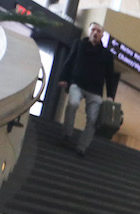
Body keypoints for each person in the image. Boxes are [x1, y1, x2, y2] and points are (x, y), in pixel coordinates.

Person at [57, 21, 118, 157]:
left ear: (102, 35)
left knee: (92, 119)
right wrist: (63, 78)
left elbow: (110, 76)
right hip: (77, 83)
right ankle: (67, 135)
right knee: (72, 104)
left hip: (95, 90)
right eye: (93, 30)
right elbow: (69, 61)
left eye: (98, 31)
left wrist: (110, 95)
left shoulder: (107, 55)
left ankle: (82, 146)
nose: (95, 33)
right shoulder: (79, 45)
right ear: (89, 32)